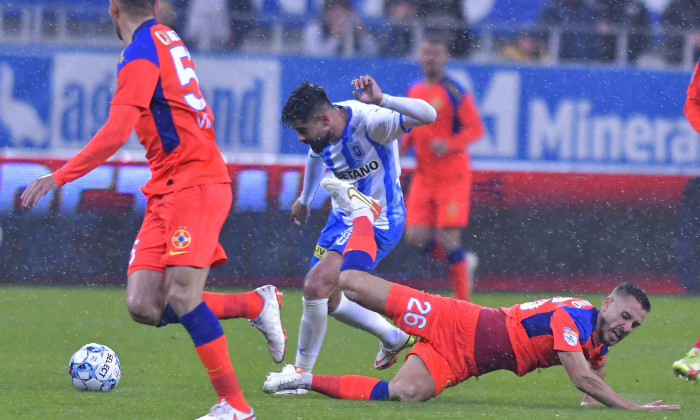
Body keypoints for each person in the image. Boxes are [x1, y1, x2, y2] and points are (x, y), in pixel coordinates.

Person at [19, 1, 285, 419]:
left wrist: (59, 176)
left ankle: (235, 407)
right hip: (169, 187)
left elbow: (116, 132)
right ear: (157, 5)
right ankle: (253, 305)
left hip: (195, 183)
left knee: (181, 292)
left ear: (113, 8)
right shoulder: (167, 36)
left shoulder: (141, 53)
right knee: (144, 304)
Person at [264, 180, 680, 411]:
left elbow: (595, 368)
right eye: (625, 316)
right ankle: (362, 213)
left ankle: (301, 379)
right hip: (454, 320)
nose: (627, 327)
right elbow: (581, 374)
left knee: (403, 394)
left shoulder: (598, 335)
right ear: (606, 302)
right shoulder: (572, 319)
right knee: (351, 280)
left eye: (634, 325)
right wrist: (630, 408)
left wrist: (592, 402)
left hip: (461, 361)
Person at [278, 75, 437, 391]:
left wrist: (383, 100)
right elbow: (314, 156)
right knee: (327, 299)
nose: (299, 138)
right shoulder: (322, 136)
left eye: (302, 130)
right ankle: (393, 336)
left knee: (315, 285)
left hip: (379, 220)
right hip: (342, 219)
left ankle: (299, 376)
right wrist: (305, 199)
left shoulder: (372, 123)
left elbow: (429, 114)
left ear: (324, 119)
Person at [401, 37, 484, 301]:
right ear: (419, 57)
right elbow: (411, 131)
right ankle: (461, 262)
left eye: (436, 53)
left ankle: (463, 303)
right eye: (426, 53)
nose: (430, 58)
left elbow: (476, 130)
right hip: (424, 177)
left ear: (446, 57)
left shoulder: (455, 92)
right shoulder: (414, 91)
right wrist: (397, 151)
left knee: (449, 239)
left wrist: (448, 144)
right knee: (414, 238)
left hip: (452, 177)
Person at [303, 0, 379, 57]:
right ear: (326, 11)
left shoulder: (354, 27)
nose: (338, 13)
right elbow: (317, 57)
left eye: (342, 9)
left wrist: (362, 34)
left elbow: (373, 53)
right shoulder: (316, 28)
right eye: (334, 9)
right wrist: (335, 37)